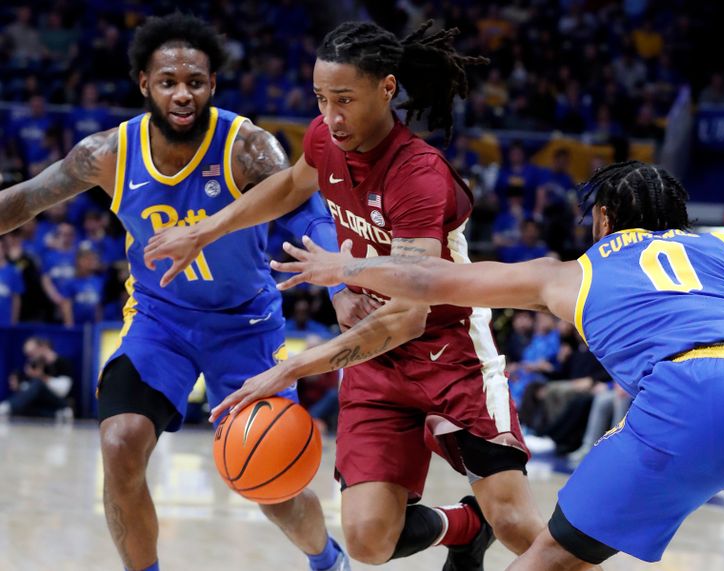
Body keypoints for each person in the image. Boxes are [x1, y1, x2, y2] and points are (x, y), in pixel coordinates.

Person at [147, 19, 546, 570]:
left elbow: (409, 314)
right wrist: (206, 229)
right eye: (320, 98)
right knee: (366, 541)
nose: (330, 117)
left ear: (386, 89)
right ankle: (464, 527)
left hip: (447, 349)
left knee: (522, 528)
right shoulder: (324, 139)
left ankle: (469, 478)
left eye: (344, 100)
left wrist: (295, 364)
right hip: (373, 353)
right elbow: (289, 186)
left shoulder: (419, 175)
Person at [266, 160, 724, 570]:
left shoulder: (568, 274)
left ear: (603, 219)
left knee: (550, 559)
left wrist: (345, 266)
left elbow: (432, 279)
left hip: (687, 396)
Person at [0, 13, 355, 571]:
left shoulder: (248, 147)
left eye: (195, 82)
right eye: (168, 82)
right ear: (145, 83)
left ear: (212, 85)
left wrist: (340, 279)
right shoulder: (109, 153)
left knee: (271, 484)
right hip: (160, 322)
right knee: (119, 445)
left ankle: (327, 560)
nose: (182, 93)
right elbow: (25, 201)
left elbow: (304, 213)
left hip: (244, 326)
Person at [0, 336, 73, 420]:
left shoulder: (63, 362)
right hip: (40, 404)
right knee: (24, 407)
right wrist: (19, 386)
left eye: (32, 353)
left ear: (43, 348)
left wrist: (41, 377)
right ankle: (55, 414)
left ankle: (7, 406)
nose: (30, 357)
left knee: (37, 383)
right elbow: (28, 391)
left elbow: (63, 390)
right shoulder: (34, 365)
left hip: (57, 401)